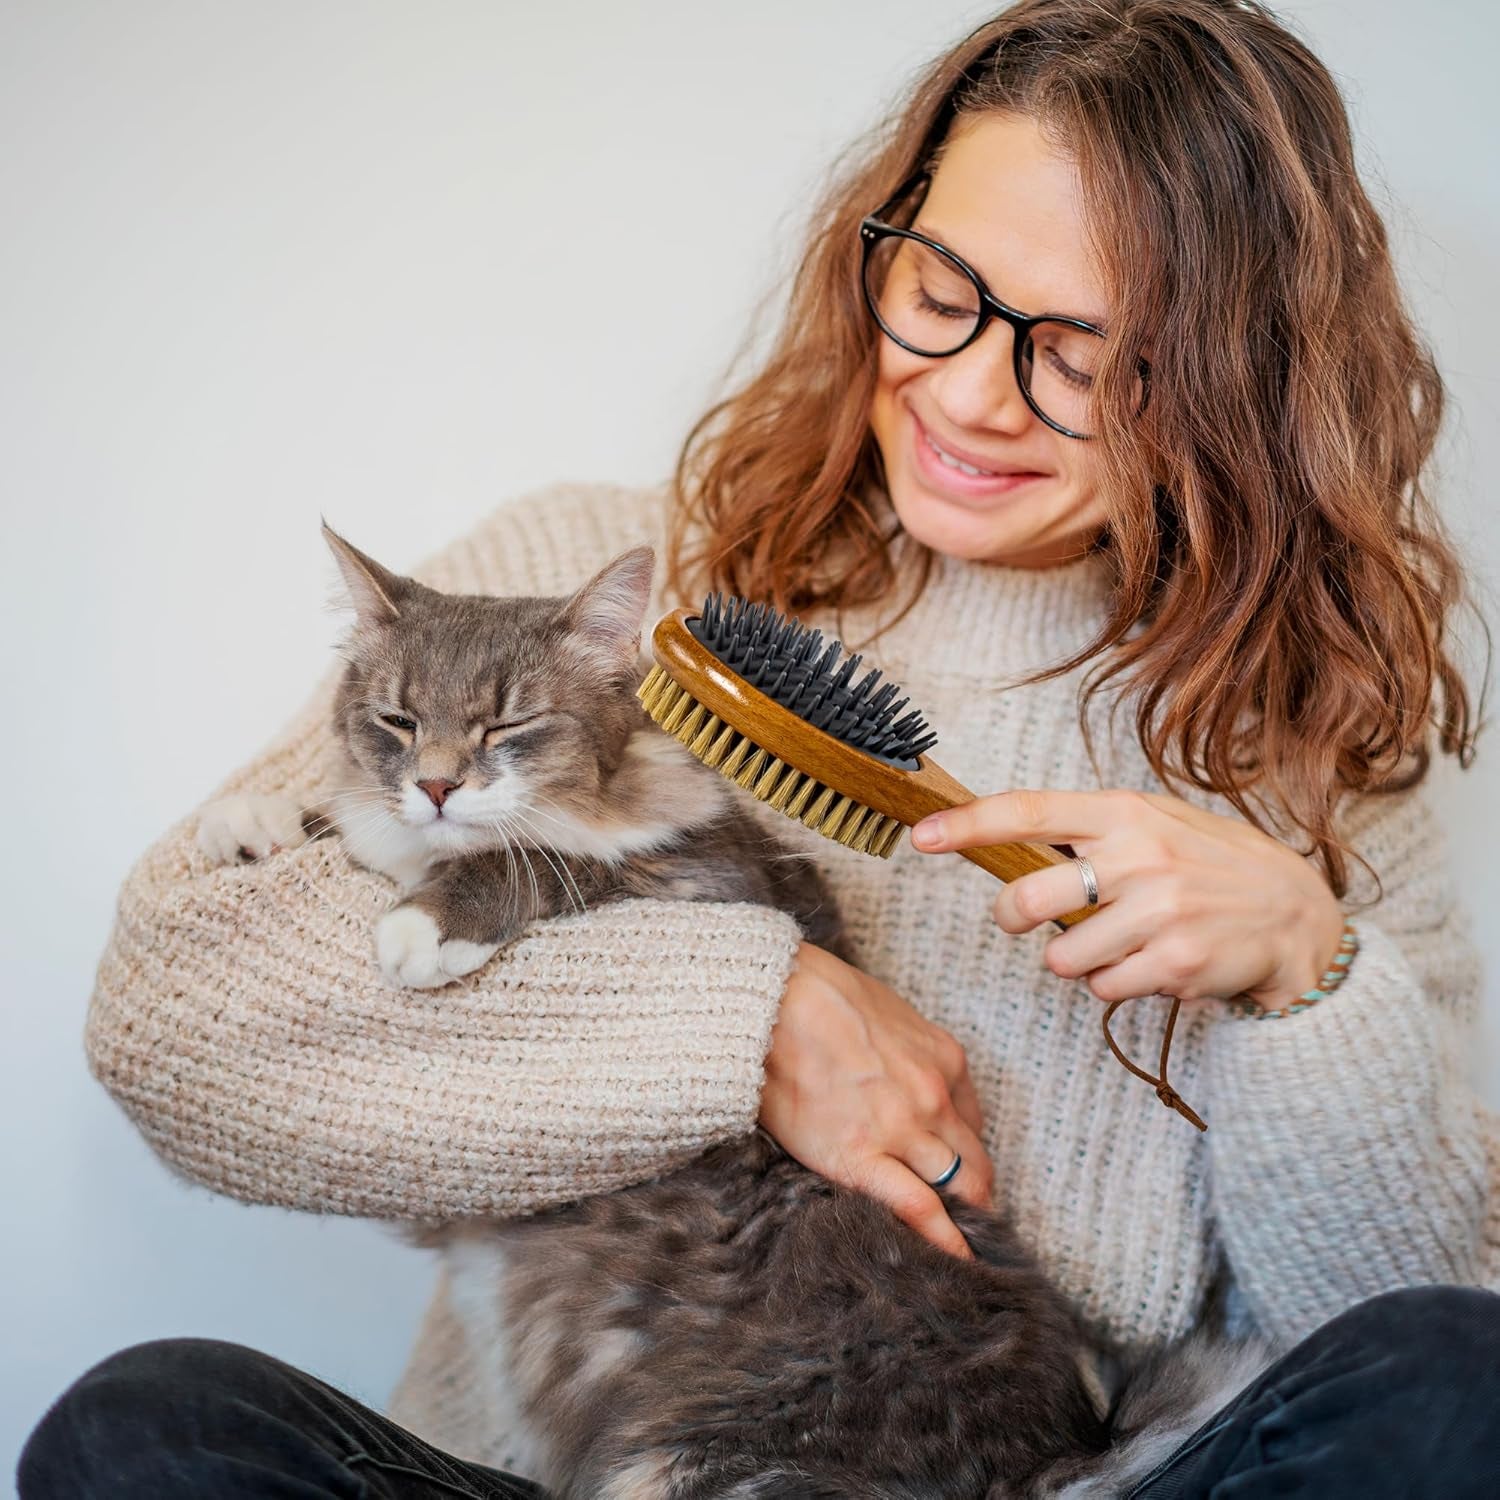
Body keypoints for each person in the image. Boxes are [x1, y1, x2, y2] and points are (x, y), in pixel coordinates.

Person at [20, 2, 1500, 1496]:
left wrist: (1310, 985)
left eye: (1083, 352)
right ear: (881, 246)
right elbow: (168, 1025)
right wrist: (754, 1020)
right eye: (946, 289)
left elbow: (1389, 1356)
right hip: (596, 1464)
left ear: (1224, 382)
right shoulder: (586, 595)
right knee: (151, 1428)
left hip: (984, 1464)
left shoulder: (1311, 764)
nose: (975, 394)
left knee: (1456, 1383)